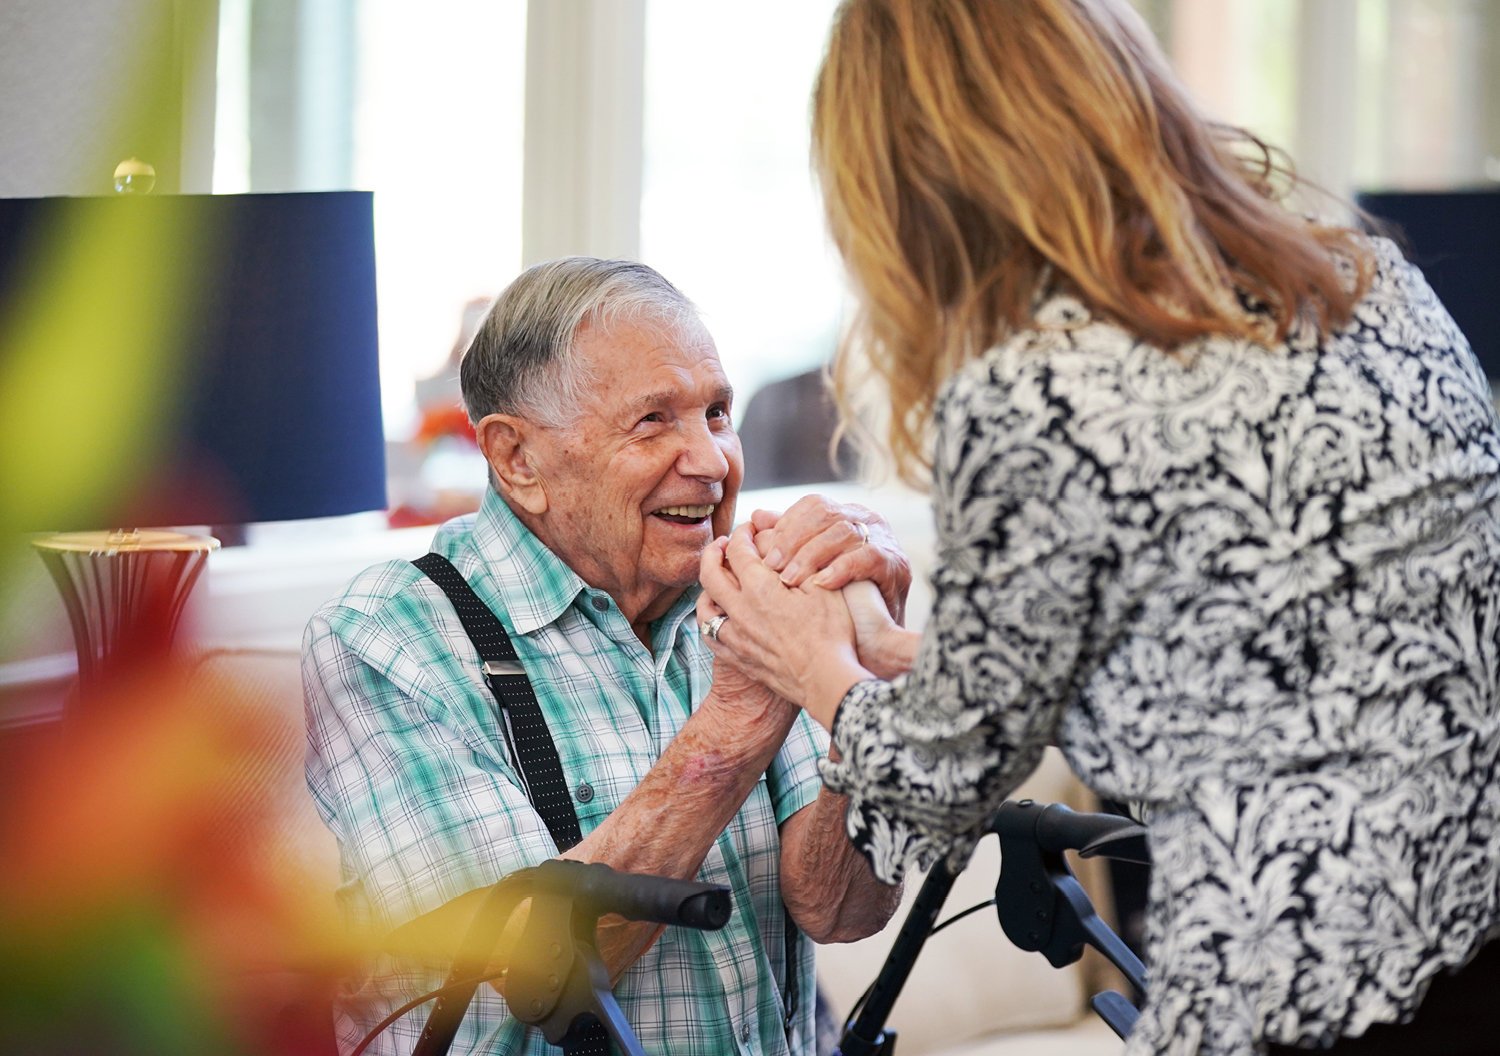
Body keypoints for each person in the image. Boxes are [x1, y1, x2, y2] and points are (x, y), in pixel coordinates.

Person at [696, 2, 1500, 1054]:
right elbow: (1282, 661)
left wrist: (818, 667)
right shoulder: (1367, 283)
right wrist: (942, 671)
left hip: (1312, 991)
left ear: (912, 176)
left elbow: (937, 789)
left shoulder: (1038, 396)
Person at [304, 257, 904, 1055]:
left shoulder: (736, 593)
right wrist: (740, 716)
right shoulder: (387, 638)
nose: (713, 460)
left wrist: (878, 682)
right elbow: (527, 970)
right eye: (654, 421)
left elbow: (842, 909)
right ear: (518, 460)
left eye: (718, 413)